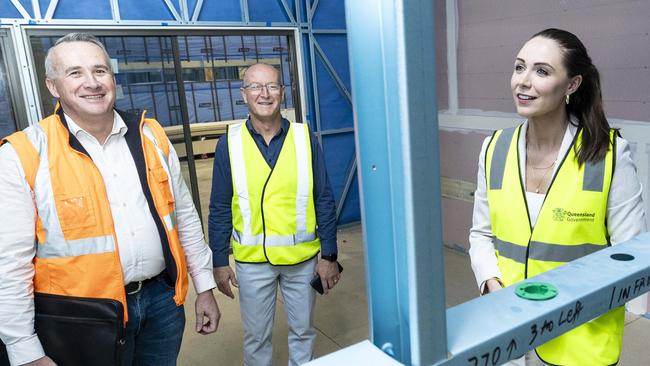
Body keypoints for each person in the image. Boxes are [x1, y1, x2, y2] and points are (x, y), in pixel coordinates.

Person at [0, 33, 220, 366]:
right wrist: (24, 347)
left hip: (162, 302)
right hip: (84, 319)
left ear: (112, 78)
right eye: (75, 73)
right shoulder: (24, 154)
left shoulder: (150, 136)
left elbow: (183, 217)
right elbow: (9, 264)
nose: (92, 82)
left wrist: (204, 286)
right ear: (52, 86)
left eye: (100, 70)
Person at [468, 28, 646, 366]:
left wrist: (563, 305)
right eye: (519, 67)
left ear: (572, 85)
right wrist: (491, 285)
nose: (523, 80)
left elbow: (633, 260)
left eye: (541, 71)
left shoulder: (608, 155)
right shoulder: (494, 149)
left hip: (580, 340)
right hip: (509, 334)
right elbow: (481, 234)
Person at [208, 62, 341, 366]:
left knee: (303, 332)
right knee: (256, 338)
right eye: (256, 86)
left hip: (302, 259)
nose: (264, 94)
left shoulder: (303, 138)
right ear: (244, 94)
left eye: (272, 86)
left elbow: (323, 197)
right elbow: (218, 207)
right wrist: (218, 261)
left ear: (282, 92)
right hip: (253, 262)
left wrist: (329, 255)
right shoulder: (229, 143)